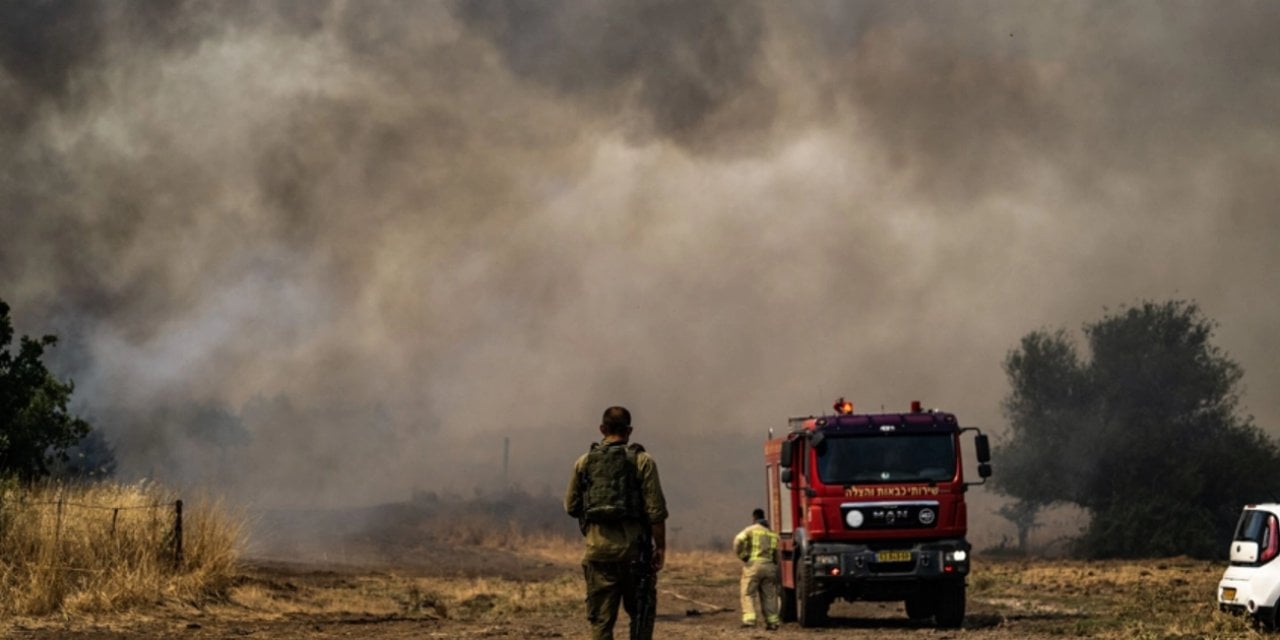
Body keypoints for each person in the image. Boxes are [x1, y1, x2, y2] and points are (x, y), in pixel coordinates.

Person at [565, 406, 669, 640]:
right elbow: (656, 512)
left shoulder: (584, 462)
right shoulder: (643, 461)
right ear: (630, 430)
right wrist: (660, 547)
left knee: (601, 623)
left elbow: (571, 507)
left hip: (598, 554)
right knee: (640, 618)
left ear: (602, 429)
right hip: (635, 555)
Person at [734, 507, 780, 630]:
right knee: (769, 596)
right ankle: (772, 622)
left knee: (748, 593)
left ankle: (749, 621)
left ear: (754, 518)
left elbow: (737, 541)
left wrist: (743, 556)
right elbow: (777, 553)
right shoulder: (772, 533)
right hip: (769, 567)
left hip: (753, 567)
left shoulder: (750, 530)